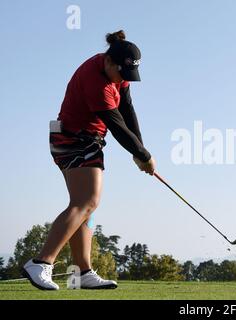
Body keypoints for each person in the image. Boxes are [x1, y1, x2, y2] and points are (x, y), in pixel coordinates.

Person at [22, 30, 155, 290]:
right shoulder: (97, 82)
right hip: (72, 140)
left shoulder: (116, 72)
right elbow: (116, 125)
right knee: (87, 201)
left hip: (87, 140)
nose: (124, 80)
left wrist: (140, 149)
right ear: (108, 63)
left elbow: (127, 109)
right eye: (122, 75)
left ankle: (83, 273)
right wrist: (143, 156)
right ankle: (41, 262)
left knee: (87, 206)